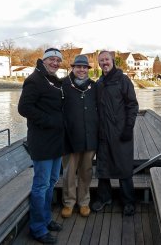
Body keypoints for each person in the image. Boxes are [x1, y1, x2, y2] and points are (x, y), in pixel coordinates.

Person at [18, 48, 65, 244]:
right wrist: (49, 121)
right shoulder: (34, 80)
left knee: (52, 181)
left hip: (56, 142)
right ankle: (37, 228)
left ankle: (45, 219)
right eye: (52, 59)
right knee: (41, 185)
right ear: (44, 60)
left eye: (58, 60)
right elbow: (24, 108)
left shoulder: (53, 80)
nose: (55, 63)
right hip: (42, 141)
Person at [91, 50, 139, 216]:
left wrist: (128, 127)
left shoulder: (123, 80)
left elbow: (132, 105)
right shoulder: (99, 82)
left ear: (112, 61)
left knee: (123, 166)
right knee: (103, 166)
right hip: (103, 132)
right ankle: (104, 197)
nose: (104, 62)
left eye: (107, 59)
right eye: (101, 60)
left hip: (120, 132)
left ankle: (128, 201)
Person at [61, 55, 98, 218]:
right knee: (69, 172)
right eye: (79, 67)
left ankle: (84, 202)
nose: (82, 70)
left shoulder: (94, 86)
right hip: (69, 136)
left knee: (86, 171)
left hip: (90, 136)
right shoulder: (63, 85)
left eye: (85, 67)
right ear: (73, 68)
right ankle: (69, 203)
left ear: (88, 70)